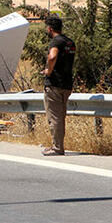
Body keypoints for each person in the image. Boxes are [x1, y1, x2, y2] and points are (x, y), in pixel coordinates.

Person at [41, 16, 76, 156]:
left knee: (54, 117)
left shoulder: (56, 41)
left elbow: (52, 57)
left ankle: (57, 148)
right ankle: (58, 145)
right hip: (67, 84)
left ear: (50, 28)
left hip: (54, 84)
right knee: (60, 117)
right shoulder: (70, 42)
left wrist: (48, 71)